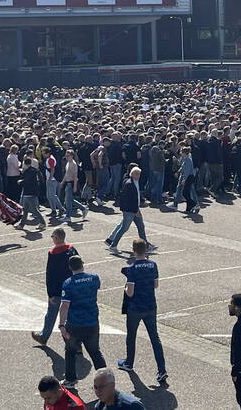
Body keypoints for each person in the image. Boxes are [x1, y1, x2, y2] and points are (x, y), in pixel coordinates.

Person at [117, 238, 169, 385]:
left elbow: (130, 293)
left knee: (131, 335)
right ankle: (161, 369)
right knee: (155, 338)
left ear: (134, 250)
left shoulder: (132, 269)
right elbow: (156, 285)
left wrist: (126, 286)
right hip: (151, 306)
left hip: (135, 308)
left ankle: (129, 362)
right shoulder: (153, 265)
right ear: (146, 249)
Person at [58, 255, 107, 389]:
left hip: (74, 324)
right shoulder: (94, 278)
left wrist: (61, 325)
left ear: (70, 267)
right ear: (82, 264)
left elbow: (64, 306)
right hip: (92, 322)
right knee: (95, 352)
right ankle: (106, 380)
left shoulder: (68, 283)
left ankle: (71, 379)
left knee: (70, 351)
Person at [32, 228, 80, 347]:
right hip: (72, 289)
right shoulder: (71, 249)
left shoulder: (53, 253)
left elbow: (50, 275)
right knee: (71, 317)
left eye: (52, 236)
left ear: (57, 238)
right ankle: (76, 344)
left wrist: (51, 294)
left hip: (58, 290)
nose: (52, 238)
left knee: (51, 314)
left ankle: (44, 336)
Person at [106, 167, 156, 254]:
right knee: (124, 228)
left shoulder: (135, 183)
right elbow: (129, 199)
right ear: (132, 174)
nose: (138, 176)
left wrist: (140, 204)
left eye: (139, 174)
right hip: (130, 210)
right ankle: (113, 246)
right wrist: (135, 210)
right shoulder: (129, 184)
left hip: (135, 209)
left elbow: (136, 196)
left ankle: (145, 246)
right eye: (136, 174)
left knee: (141, 227)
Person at [16, 157, 47, 230]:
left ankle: (42, 222)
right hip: (33, 191)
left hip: (29, 192)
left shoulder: (28, 171)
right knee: (26, 209)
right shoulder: (35, 170)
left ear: (25, 164)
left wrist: (20, 182)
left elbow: (27, 181)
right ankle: (21, 225)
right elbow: (40, 180)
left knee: (34, 209)